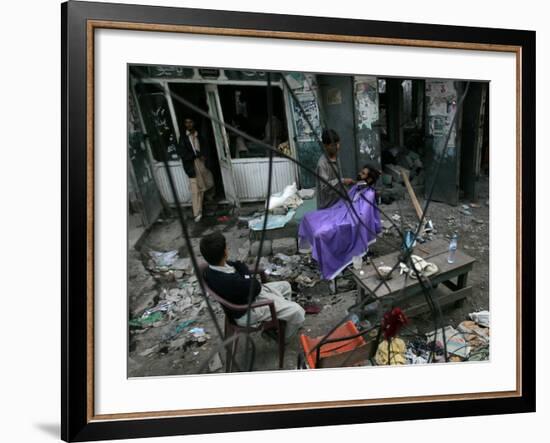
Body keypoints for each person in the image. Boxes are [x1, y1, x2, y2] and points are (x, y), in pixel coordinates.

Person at [200, 232, 305, 341]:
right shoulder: (228, 281)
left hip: (247, 295)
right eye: (226, 247)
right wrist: (247, 276)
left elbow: (239, 265)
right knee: (298, 311)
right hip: (247, 311)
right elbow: (255, 286)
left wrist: (246, 276)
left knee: (286, 286)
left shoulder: (212, 268)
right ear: (225, 252)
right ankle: (283, 337)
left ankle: (280, 321)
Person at [177, 117, 214, 222]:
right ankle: (196, 213)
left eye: (190, 122)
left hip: (201, 165)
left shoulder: (199, 136)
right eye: (186, 122)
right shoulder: (183, 138)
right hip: (191, 167)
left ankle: (200, 210)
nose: (189, 124)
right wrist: (195, 155)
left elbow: (205, 150)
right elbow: (182, 153)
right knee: (195, 190)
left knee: (203, 188)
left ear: (194, 123)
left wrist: (203, 156)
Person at [315, 129, 355, 209]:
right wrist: (342, 181)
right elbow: (324, 187)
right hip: (327, 205)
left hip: (338, 201)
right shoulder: (322, 164)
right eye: (333, 145)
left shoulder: (336, 156)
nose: (337, 147)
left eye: (338, 144)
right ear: (325, 145)